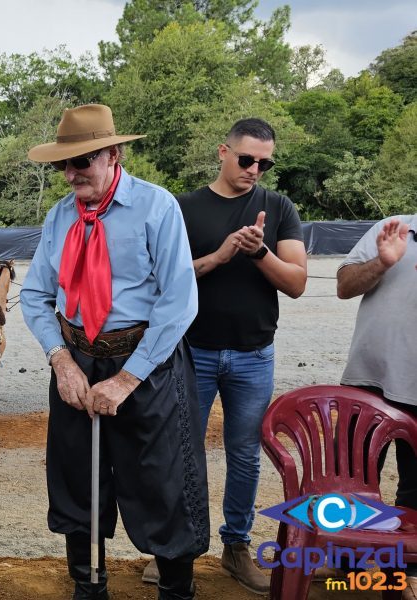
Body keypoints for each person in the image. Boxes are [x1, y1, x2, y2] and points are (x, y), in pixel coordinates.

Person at [20, 104, 209, 600]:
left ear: (114, 154)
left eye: (83, 160)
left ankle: (175, 590)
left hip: (147, 361)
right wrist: (60, 360)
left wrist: (128, 379)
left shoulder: (156, 206)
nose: (72, 172)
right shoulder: (59, 216)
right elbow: (36, 295)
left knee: (163, 478)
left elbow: (179, 300)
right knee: (76, 475)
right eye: (65, 163)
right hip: (77, 360)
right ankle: (88, 586)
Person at [145, 118, 307, 594]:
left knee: (245, 457)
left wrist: (259, 253)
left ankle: (236, 547)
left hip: (253, 355)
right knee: (178, 454)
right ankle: (172, 551)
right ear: (223, 152)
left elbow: (296, 283)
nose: (256, 169)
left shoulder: (278, 207)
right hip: (190, 353)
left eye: (265, 162)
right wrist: (216, 258)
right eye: (247, 159)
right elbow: (161, 283)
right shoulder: (183, 207)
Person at [336, 216, 417, 598]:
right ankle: (345, 566)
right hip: (369, 380)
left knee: (415, 492)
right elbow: (345, 287)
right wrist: (383, 262)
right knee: (352, 482)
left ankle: (402, 574)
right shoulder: (393, 228)